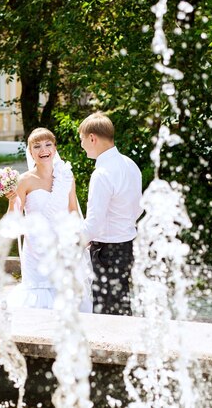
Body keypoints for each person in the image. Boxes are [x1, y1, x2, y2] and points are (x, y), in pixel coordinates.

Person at [5, 127, 92, 312]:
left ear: (55, 148)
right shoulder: (24, 181)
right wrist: (13, 201)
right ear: (30, 152)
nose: (43, 150)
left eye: (48, 144)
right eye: (37, 146)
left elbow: (73, 211)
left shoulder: (66, 176)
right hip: (36, 250)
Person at [79, 112, 143, 316]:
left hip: (106, 251)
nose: (82, 145)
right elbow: (139, 207)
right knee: (121, 303)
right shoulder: (130, 164)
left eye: (82, 140)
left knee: (105, 309)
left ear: (92, 138)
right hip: (127, 245)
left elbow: (94, 223)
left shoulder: (102, 174)